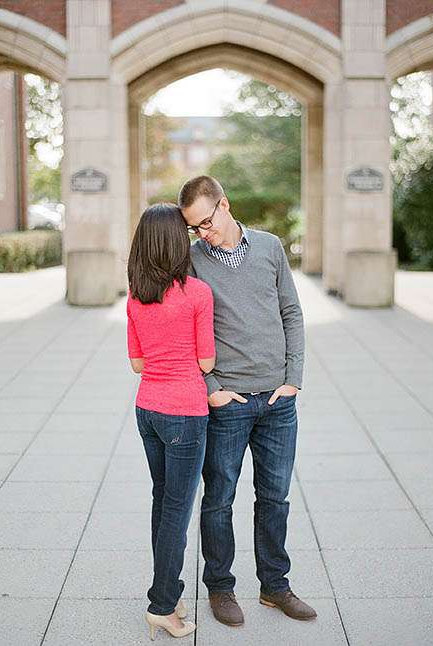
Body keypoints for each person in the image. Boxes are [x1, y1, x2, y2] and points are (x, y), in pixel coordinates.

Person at [178, 175, 315, 626]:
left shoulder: (270, 247)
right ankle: (220, 588)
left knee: (274, 497)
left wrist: (293, 378)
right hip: (229, 403)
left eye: (206, 221)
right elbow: (188, 331)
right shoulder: (194, 260)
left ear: (225, 204)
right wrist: (213, 386)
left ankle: (275, 586)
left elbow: (291, 312)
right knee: (219, 498)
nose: (203, 233)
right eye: (194, 228)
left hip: (278, 400)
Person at [126, 203, 215, 640]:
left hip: (147, 410)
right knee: (178, 511)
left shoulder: (136, 295)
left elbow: (138, 363)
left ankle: (168, 590)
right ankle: (162, 604)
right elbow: (207, 359)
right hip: (184, 411)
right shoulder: (197, 294)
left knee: (163, 503)